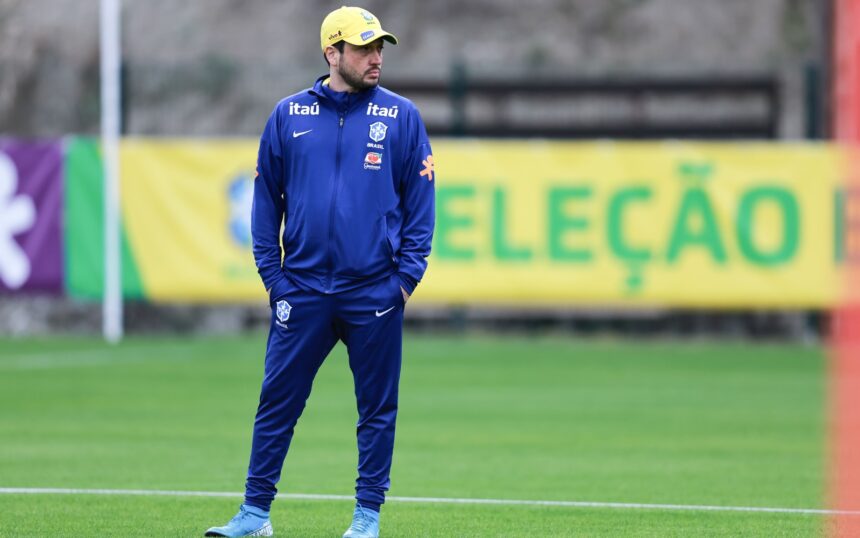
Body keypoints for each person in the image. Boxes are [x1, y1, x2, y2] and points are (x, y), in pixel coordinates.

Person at [205, 6, 435, 538]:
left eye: (379, 47)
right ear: (332, 52)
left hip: (374, 291)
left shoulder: (402, 117)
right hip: (302, 290)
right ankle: (255, 515)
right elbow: (264, 202)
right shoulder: (287, 116)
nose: (376, 57)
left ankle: (366, 520)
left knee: (377, 410)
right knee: (275, 406)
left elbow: (422, 206)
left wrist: (403, 281)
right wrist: (274, 278)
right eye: (364, 47)